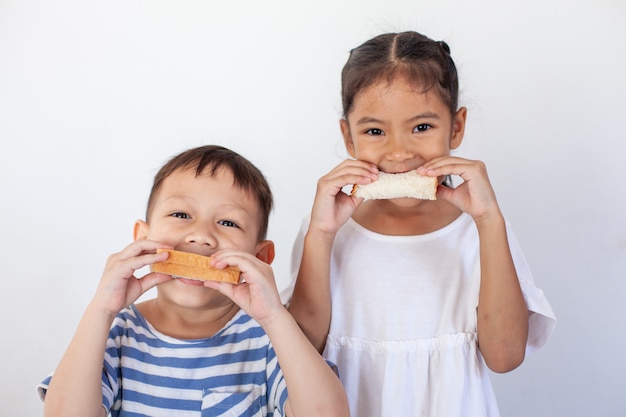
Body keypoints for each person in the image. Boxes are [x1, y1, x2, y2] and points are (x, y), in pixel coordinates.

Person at [286, 31, 556, 416]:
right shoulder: (326, 230)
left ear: (457, 127)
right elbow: (300, 354)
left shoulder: (479, 231)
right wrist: (321, 235)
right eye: (374, 131)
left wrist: (489, 221)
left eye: (422, 127)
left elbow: (505, 357)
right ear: (348, 137)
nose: (400, 152)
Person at [38, 145, 350, 417]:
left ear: (261, 257)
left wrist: (275, 318)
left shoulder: (269, 338)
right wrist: (100, 310)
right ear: (142, 238)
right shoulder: (115, 334)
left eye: (228, 222)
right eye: (180, 214)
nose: (201, 235)